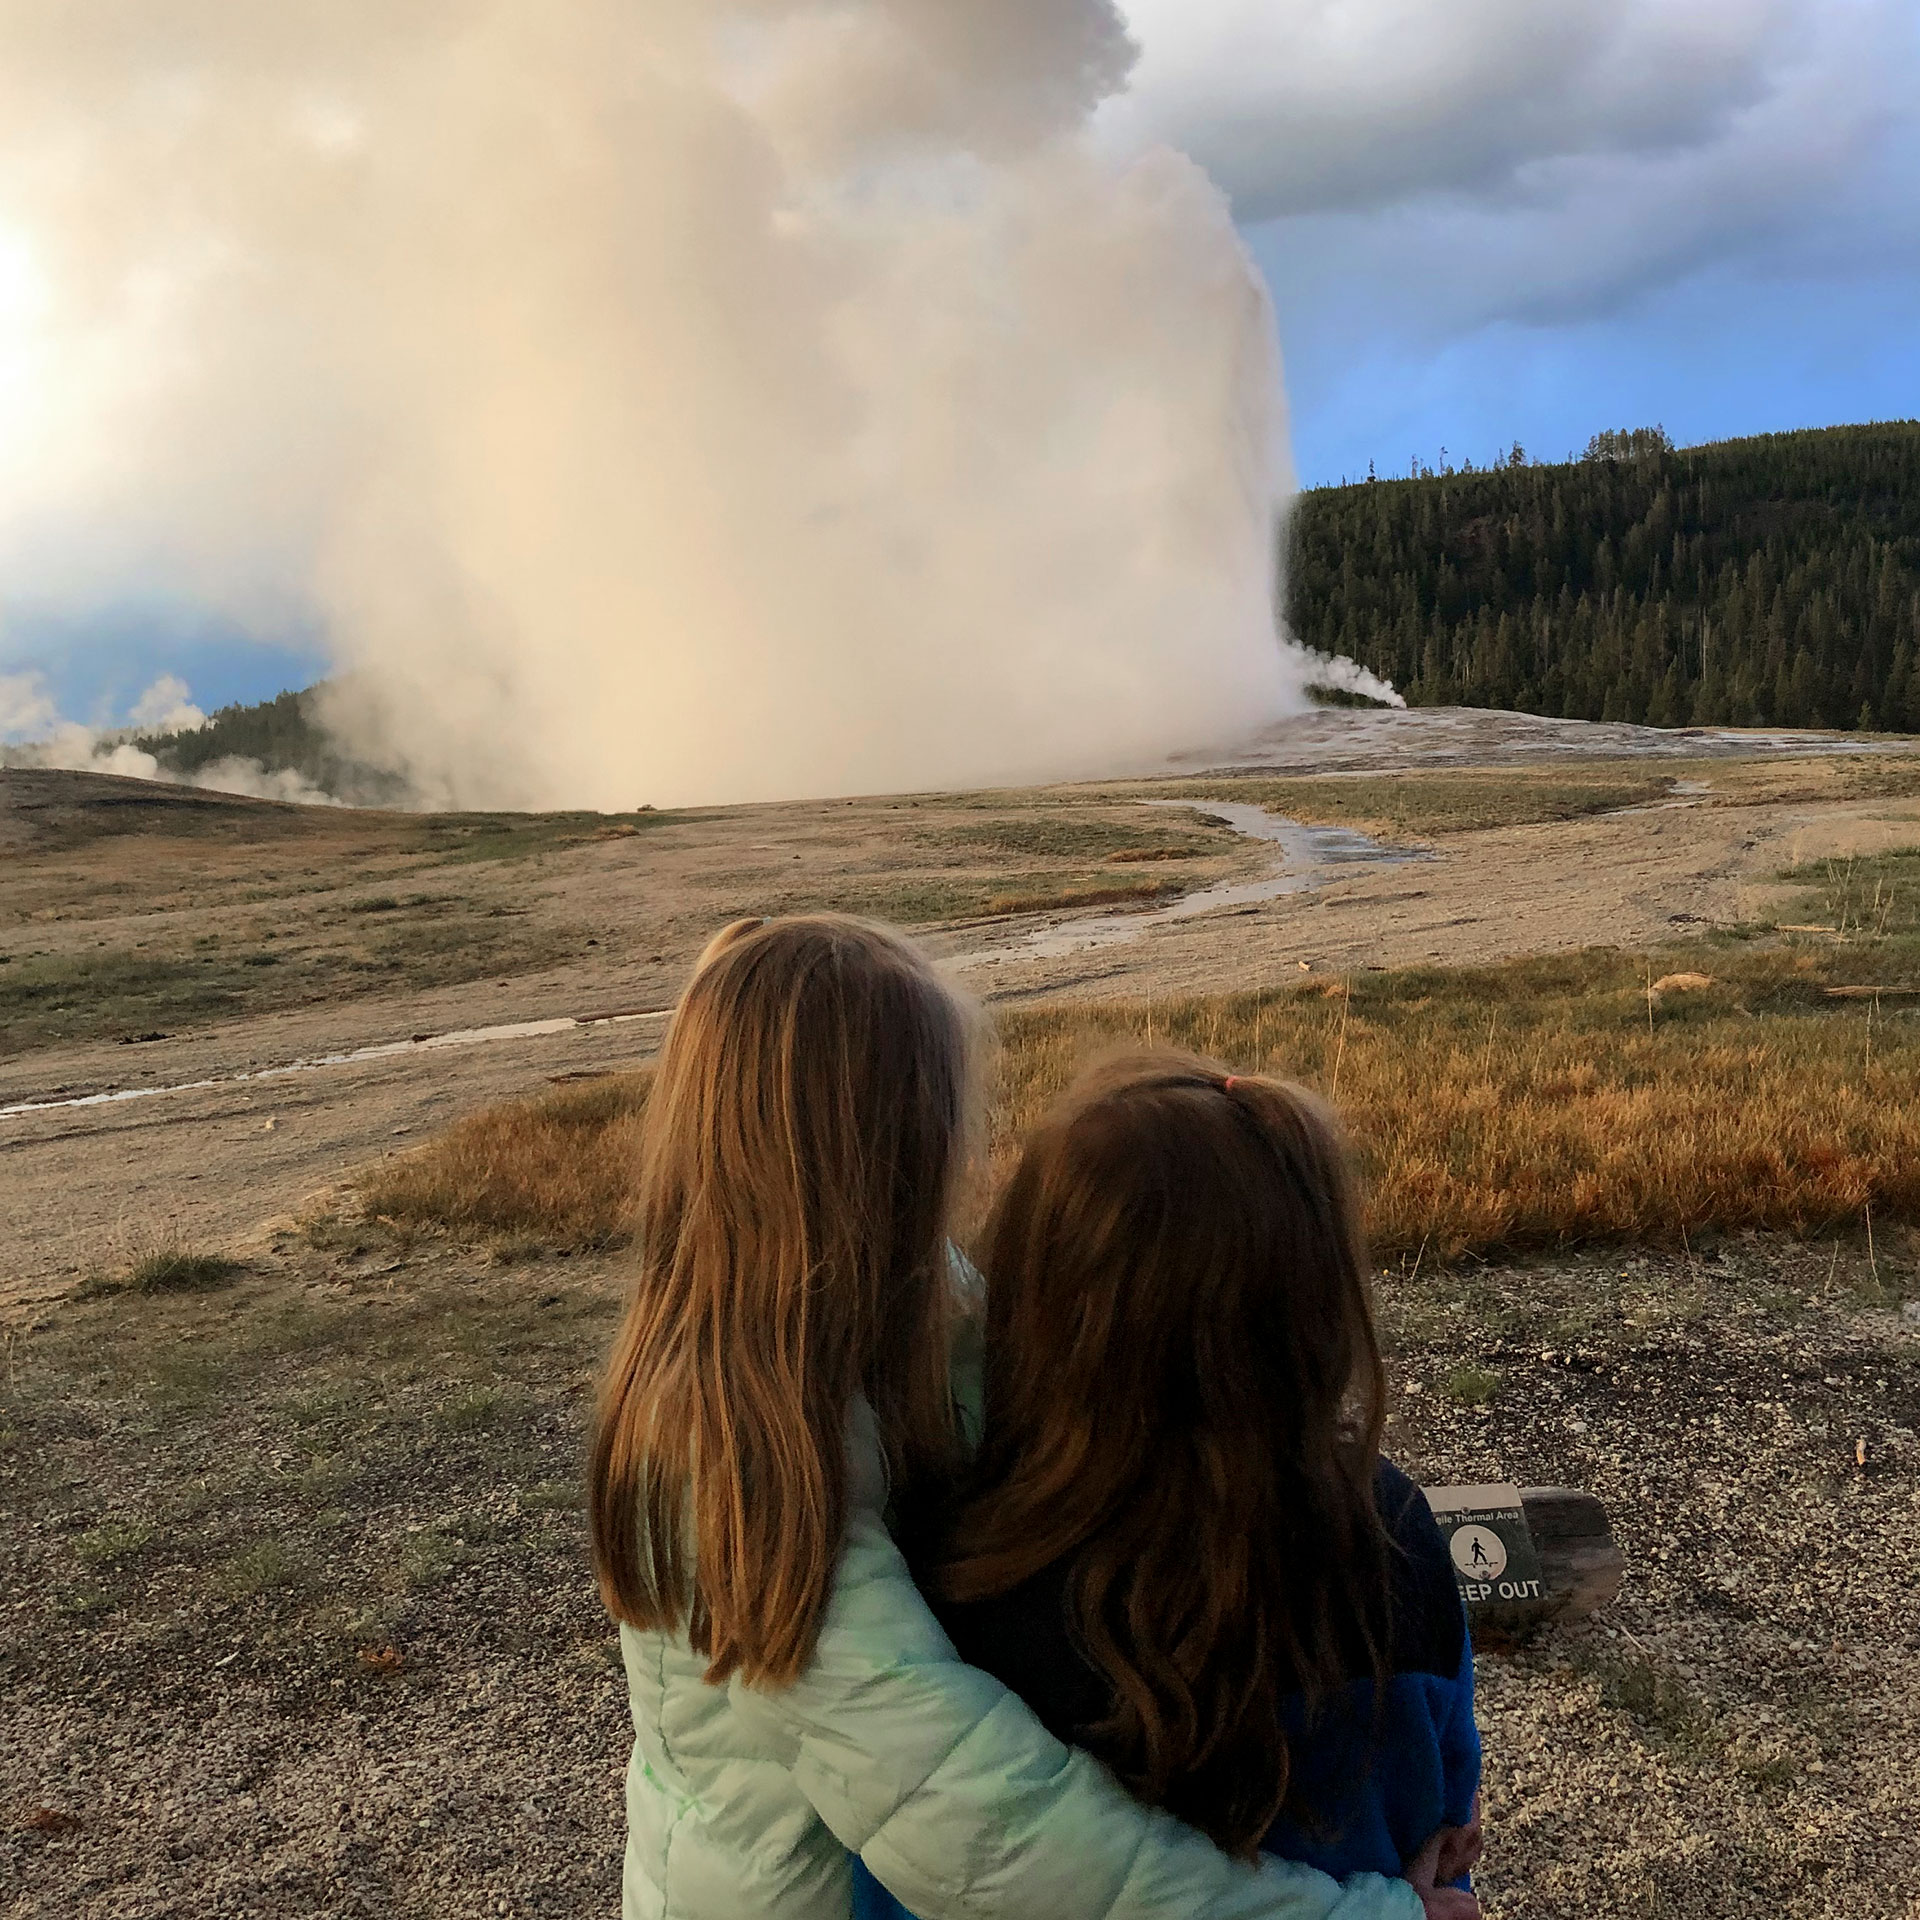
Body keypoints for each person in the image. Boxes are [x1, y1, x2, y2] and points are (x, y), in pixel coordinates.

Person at [588, 918, 1436, 1920]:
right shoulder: (731, 1454)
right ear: (893, 1150)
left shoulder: (911, 1304)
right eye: (951, 1110)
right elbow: (987, 1825)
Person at [879, 1052, 1482, 1915]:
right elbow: (1444, 1810)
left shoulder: (965, 1571)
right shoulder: (1390, 1530)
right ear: (1313, 1308)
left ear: (1035, 1296)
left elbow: (917, 1867)